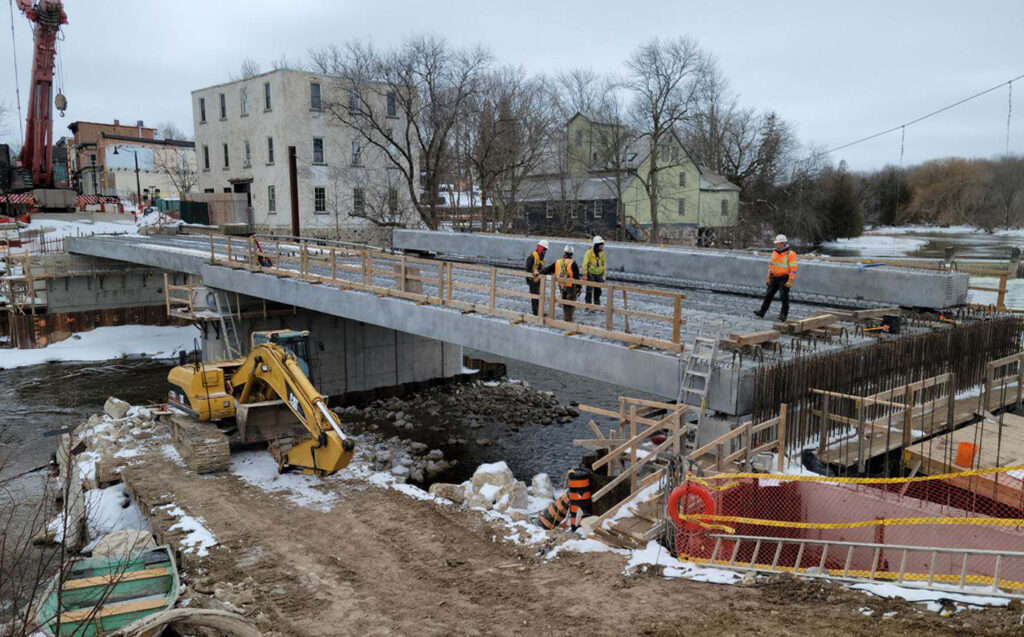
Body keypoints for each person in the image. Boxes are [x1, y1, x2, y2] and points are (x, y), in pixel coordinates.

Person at [755, 234, 798, 322]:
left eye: (778, 243)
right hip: (774, 277)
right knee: (768, 295)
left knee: (783, 297)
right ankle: (762, 312)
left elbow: (793, 269)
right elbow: (771, 266)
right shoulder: (774, 253)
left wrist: (790, 280)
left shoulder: (790, 254)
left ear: (783, 243)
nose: (776, 245)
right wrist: (769, 278)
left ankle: (783, 315)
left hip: (784, 278)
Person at [525, 239, 555, 315]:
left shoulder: (542, 259)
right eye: (544, 250)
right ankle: (536, 312)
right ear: (540, 248)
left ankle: (539, 311)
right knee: (535, 296)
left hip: (539, 279)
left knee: (540, 295)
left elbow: (542, 269)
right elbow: (528, 270)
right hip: (532, 279)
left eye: (545, 250)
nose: (545, 252)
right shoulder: (532, 257)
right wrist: (533, 277)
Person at [555, 245, 582, 321]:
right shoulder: (573, 263)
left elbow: (548, 269)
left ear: (564, 252)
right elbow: (577, 278)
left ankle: (566, 318)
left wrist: (539, 272)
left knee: (565, 303)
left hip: (562, 287)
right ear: (572, 254)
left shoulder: (558, 262)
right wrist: (579, 288)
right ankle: (568, 320)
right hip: (571, 287)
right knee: (570, 305)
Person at [582, 235, 607, 307]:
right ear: (596, 245)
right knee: (589, 291)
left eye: (602, 244)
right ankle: (588, 306)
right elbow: (584, 264)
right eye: (600, 244)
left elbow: (604, 264)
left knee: (598, 291)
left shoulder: (602, 253)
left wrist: (604, 275)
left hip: (599, 274)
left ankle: (597, 305)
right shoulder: (589, 252)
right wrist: (584, 275)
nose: (602, 246)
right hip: (591, 274)